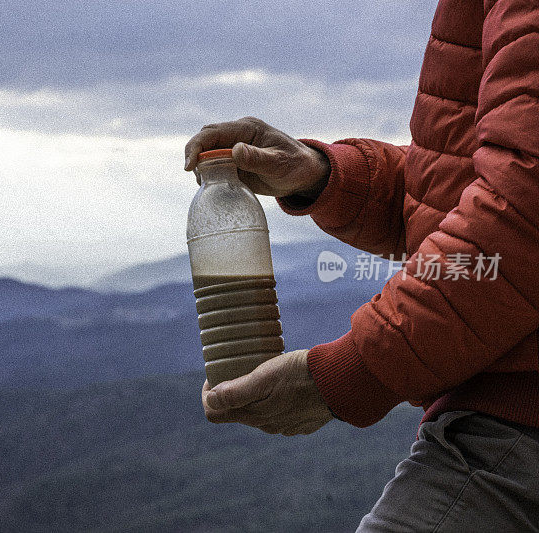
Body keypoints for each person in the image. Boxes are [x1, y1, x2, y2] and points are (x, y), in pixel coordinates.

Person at [184, 1, 539, 530]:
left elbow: (520, 216)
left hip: (515, 430)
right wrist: (323, 177)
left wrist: (353, 372)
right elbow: (470, 201)